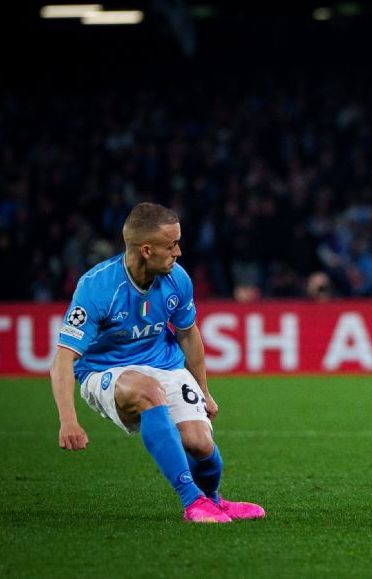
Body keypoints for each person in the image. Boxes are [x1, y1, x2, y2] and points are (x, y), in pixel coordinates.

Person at [50, 202, 265, 523]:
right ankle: (192, 502)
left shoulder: (177, 279)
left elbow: (188, 335)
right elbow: (63, 359)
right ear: (147, 250)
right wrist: (68, 419)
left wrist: (205, 391)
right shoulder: (97, 287)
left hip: (164, 364)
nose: (178, 252)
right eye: (171, 245)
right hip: (105, 372)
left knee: (200, 443)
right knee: (148, 391)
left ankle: (213, 500)